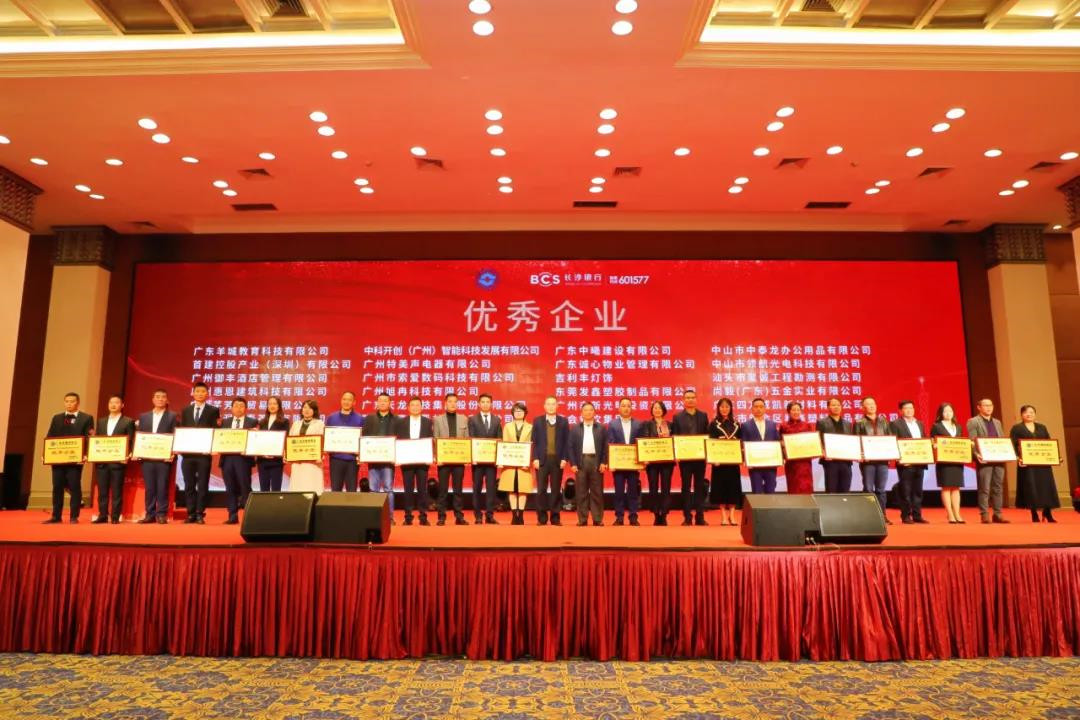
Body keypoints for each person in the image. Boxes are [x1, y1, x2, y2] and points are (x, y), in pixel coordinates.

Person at [43, 392, 94, 524]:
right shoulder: (57, 418)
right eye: (67, 401)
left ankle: (74, 516)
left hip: (75, 459)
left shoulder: (86, 418)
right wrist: (45, 454)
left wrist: (85, 454)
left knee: (74, 486)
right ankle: (56, 516)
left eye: (72, 401)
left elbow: (89, 438)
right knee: (57, 486)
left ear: (78, 403)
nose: (69, 404)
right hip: (58, 458)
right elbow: (50, 436)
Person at [178, 382, 220, 525]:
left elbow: (215, 430)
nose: (200, 394)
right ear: (193, 393)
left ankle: (200, 513)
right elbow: (183, 430)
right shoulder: (186, 410)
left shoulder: (213, 410)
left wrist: (213, 447)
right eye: (197, 391)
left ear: (207, 394)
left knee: (203, 484)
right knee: (189, 484)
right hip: (188, 454)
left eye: (203, 391)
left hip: (204, 454)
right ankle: (190, 513)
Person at [1010, 404, 1060, 523]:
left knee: (1046, 486)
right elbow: (1012, 445)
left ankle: (1047, 512)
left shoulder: (1042, 427)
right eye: (1026, 412)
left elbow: (1049, 443)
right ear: (1021, 415)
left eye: (1031, 412)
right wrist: (1018, 458)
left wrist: (1056, 457)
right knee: (1031, 487)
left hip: (1043, 463)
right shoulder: (1017, 428)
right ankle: (1034, 513)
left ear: (1035, 414)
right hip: (1027, 464)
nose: (1029, 414)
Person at [136, 389, 177, 524]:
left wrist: (172, 453)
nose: (160, 399)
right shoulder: (144, 416)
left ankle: (161, 514)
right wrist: (138, 452)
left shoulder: (172, 416)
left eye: (163, 397)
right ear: (153, 400)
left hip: (163, 458)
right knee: (150, 487)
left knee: (162, 486)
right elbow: (140, 435)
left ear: (167, 400)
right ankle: (150, 514)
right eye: (157, 397)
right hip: (147, 457)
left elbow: (175, 435)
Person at [92, 395, 135, 524]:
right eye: (111, 402)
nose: (113, 405)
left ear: (122, 405)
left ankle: (115, 516)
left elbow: (131, 440)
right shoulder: (101, 421)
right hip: (102, 462)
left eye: (116, 402)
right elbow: (97, 440)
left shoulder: (128, 421)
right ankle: (102, 515)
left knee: (117, 491)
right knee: (102, 491)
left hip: (118, 462)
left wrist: (128, 454)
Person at [966, 398, 1009, 524]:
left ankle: (998, 514)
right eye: (985, 405)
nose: (989, 407)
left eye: (990, 405)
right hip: (984, 459)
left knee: (998, 487)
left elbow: (1001, 440)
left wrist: (1007, 453)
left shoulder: (997, 422)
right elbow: (972, 440)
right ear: (979, 407)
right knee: (984, 487)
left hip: (998, 458)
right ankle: (984, 514)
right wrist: (976, 454)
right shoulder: (973, 421)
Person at [672, 389, 710, 526]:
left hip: (700, 458)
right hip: (685, 458)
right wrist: (677, 454)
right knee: (686, 487)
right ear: (683, 400)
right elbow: (675, 436)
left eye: (692, 397)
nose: (690, 400)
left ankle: (700, 516)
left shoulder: (703, 416)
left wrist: (708, 453)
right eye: (687, 397)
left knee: (699, 487)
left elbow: (707, 435)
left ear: (696, 399)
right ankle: (687, 517)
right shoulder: (677, 417)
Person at [531, 395, 570, 526]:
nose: (551, 406)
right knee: (541, 490)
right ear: (544, 406)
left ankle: (555, 517)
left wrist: (565, 458)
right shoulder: (537, 421)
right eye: (548, 404)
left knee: (555, 490)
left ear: (557, 406)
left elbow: (567, 442)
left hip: (557, 460)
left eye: (553, 404)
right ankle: (542, 518)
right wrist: (535, 458)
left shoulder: (563, 421)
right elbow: (534, 441)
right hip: (542, 460)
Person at [394, 396, 433, 526]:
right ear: (408, 407)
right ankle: (408, 517)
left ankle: (423, 517)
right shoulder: (401, 422)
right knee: (408, 489)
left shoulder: (428, 422)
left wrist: (430, 456)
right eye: (413, 405)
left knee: (422, 489)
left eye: (418, 405)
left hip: (422, 461)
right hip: (407, 460)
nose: (415, 407)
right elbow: (399, 441)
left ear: (421, 407)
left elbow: (430, 440)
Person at [433, 392, 471, 526]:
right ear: (445, 403)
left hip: (459, 460)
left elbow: (467, 439)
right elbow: (435, 439)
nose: (452, 404)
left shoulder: (464, 419)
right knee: (442, 490)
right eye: (450, 401)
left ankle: (459, 516)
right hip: (443, 460)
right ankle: (441, 517)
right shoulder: (438, 419)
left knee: (458, 490)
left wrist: (467, 456)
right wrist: (437, 457)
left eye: (455, 401)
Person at [854, 396, 893, 524]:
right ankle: (869, 516)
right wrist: (859, 454)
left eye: (873, 404)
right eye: (868, 404)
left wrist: (891, 453)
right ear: (863, 407)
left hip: (882, 460)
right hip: (868, 462)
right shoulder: (859, 423)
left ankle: (882, 515)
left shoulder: (884, 421)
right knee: (868, 488)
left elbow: (890, 439)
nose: (871, 406)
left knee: (881, 489)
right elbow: (856, 440)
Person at [569, 402, 609, 527]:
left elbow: (605, 447)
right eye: (585, 410)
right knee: (581, 492)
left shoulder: (601, 428)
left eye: (591, 410)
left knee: (597, 492)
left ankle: (597, 519)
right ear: (581, 413)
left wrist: (604, 462)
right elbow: (570, 447)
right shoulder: (575, 428)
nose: (588, 412)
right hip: (581, 461)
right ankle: (582, 519)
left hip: (596, 461)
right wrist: (573, 463)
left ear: (594, 412)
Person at [220, 397, 257, 524]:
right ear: (231, 408)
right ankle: (232, 515)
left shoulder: (252, 422)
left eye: (241, 406)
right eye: (236, 406)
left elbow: (255, 440)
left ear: (246, 408)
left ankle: (249, 516)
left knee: (245, 487)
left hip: (243, 460)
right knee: (230, 488)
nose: (238, 408)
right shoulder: (225, 422)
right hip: (227, 459)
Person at [891, 400, 928, 524]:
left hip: (920, 461)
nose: (909, 410)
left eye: (911, 408)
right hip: (905, 462)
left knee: (918, 490)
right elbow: (894, 441)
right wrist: (899, 458)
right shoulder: (896, 424)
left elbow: (924, 440)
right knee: (905, 490)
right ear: (900, 411)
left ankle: (917, 515)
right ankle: (906, 515)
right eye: (906, 408)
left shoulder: (920, 424)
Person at [607, 397, 643, 526]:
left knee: (633, 491)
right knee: (619, 492)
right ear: (619, 408)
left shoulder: (638, 424)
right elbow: (610, 443)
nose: (626, 408)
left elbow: (641, 444)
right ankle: (619, 517)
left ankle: (633, 516)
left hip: (633, 464)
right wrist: (611, 463)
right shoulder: (613, 424)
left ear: (631, 408)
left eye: (628, 406)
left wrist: (641, 462)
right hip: (618, 464)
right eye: (623, 405)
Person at [467, 393, 502, 524]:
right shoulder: (472, 420)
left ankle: (489, 515)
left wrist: (499, 459)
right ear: (479, 404)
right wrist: (473, 456)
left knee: (491, 489)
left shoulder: (497, 420)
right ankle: (477, 515)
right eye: (483, 402)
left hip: (491, 461)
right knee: (477, 488)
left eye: (488, 402)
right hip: (477, 460)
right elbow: (471, 438)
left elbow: (500, 440)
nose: (485, 404)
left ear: (491, 404)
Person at [708, 397, 742, 526]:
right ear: (718, 408)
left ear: (731, 408)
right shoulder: (713, 424)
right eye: (722, 406)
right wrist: (713, 459)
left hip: (733, 463)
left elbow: (740, 443)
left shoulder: (737, 424)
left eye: (727, 406)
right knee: (720, 488)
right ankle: (723, 516)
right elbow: (710, 443)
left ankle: (732, 515)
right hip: (719, 463)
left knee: (733, 488)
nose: (724, 409)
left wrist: (741, 456)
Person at [641, 400, 675, 525]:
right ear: (652, 410)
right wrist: (644, 457)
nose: (657, 410)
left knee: (666, 488)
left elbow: (675, 442)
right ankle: (656, 514)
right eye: (655, 408)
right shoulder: (647, 424)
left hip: (667, 461)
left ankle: (664, 514)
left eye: (659, 408)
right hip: (652, 461)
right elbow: (644, 441)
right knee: (653, 487)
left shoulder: (670, 425)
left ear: (663, 410)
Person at [363, 393, 397, 517]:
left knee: (388, 489)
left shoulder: (396, 419)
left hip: (389, 460)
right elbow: (365, 437)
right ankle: (374, 516)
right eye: (380, 400)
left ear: (390, 403)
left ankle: (390, 516)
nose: (382, 402)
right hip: (373, 458)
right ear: (377, 403)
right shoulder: (369, 418)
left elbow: (398, 439)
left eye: (385, 400)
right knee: (373, 489)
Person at [498, 402, 532, 525]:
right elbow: (504, 444)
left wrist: (528, 462)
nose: (518, 413)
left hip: (524, 463)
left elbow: (532, 446)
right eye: (516, 411)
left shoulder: (530, 427)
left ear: (525, 413)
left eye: (521, 411)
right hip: (510, 463)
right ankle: (514, 515)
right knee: (511, 489)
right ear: (512, 413)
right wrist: (501, 461)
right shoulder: (507, 426)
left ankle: (521, 515)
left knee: (522, 489)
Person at [931, 402, 966, 524]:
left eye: (950, 411)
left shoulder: (958, 426)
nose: (948, 413)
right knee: (946, 487)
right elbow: (932, 441)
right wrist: (934, 445)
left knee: (956, 487)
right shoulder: (937, 426)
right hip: (944, 462)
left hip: (957, 461)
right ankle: (950, 514)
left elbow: (962, 443)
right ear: (941, 413)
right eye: (945, 411)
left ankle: (957, 513)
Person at [739, 397, 781, 495]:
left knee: (771, 490)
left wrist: (779, 458)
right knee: (756, 491)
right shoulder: (745, 425)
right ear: (752, 409)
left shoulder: (772, 424)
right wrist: (747, 460)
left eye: (761, 407)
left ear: (765, 409)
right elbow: (743, 443)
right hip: (754, 465)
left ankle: (770, 506)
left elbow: (777, 442)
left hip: (770, 464)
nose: (758, 409)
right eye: (756, 407)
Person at [325, 390, 364, 492]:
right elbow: (327, 437)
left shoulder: (360, 419)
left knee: (351, 490)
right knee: (335, 489)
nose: (346, 402)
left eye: (349, 400)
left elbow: (362, 439)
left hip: (352, 460)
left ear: (354, 402)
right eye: (344, 399)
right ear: (341, 400)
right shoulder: (331, 418)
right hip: (336, 459)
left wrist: (360, 453)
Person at [816, 397, 853, 493]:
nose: (836, 407)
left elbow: (851, 441)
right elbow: (818, 440)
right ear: (828, 407)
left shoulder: (848, 424)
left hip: (846, 460)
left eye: (838, 405)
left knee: (845, 488)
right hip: (830, 461)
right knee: (831, 488)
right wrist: (823, 451)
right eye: (833, 405)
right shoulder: (822, 422)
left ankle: (844, 503)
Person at [288, 399, 325, 494]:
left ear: (314, 410)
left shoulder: (320, 424)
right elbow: (289, 441)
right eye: (304, 407)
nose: (306, 410)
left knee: (311, 486)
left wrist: (320, 456)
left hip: (313, 462)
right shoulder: (296, 424)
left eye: (310, 408)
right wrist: (287, 455)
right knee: (297, 486)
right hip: (297, 461)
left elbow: (323, 442)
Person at [779, 401, 814, 495]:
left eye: (798, 410)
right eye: (793, 410)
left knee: (806, 486)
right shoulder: (783, 426)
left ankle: (807, 504)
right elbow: (780, 443)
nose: (796, 412)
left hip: (805, 462)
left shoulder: (807, 425)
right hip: (791, 463)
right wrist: (783, 445)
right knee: (793, 486)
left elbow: (812, 443)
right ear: (788, 411)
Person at [256, 396, 289, 492]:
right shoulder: (261, 422)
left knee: (276, 489)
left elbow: (285, 439)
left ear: (279, 406)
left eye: (275, 404)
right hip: (262, 460)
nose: (272, 406)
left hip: (276, 460)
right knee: (263, 489)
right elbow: (259, 440)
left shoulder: (284, 421)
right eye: (270, 404)